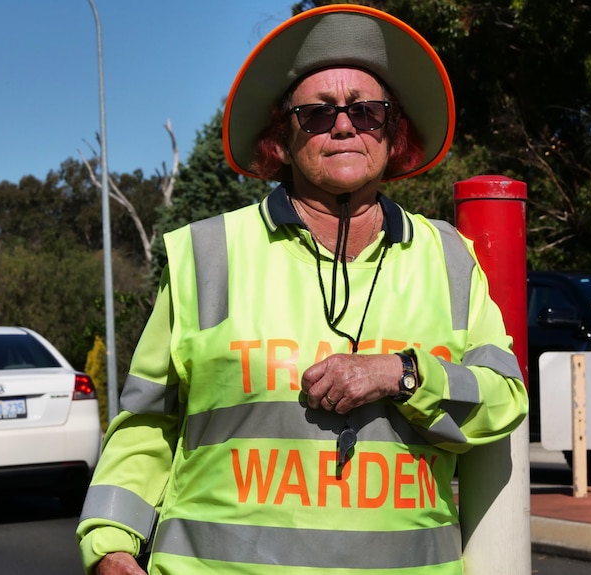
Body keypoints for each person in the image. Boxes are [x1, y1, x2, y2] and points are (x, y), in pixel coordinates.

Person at [77, 5, 528, 574]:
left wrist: (403, 375)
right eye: (316, 114)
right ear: (281, 140)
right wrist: (111, 548)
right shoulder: (206, 254)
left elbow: (504, 399)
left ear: (393, 133)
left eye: (366, 111)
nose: (344, 125)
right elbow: (146, 424)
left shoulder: (447, 257)